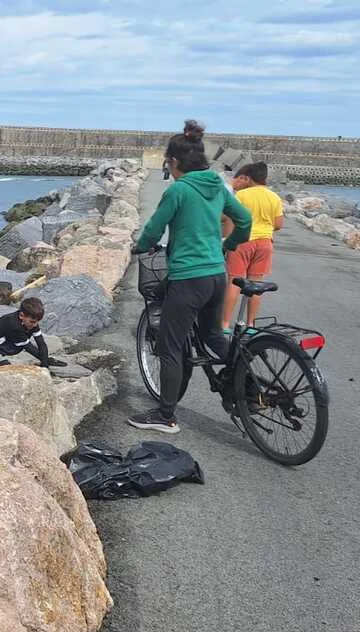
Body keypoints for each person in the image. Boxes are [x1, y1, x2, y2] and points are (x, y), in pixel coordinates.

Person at [128, 120, 252, 434]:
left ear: (173, 161)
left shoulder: (179, 190)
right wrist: (229, 245)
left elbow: (154, 228)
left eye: (167, 163)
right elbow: (244, 220)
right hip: (217, 275)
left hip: (188, 278)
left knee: (170, 346)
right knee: (213, 337)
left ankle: (165, 416)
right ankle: (250, 387)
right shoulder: (216, 186)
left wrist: (140, 246)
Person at [221, 162, 284, 330]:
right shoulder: (274, 197)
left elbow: (229, 218)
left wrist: (226, 241)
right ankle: (250, 325)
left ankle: (225, 324)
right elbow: (278, 224)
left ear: (249, 178)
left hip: (243, 242)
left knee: (234, 282)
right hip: (265, 243)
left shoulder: (241, 195)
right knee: (256, 286)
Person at [0, 297, 67, 372]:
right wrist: (45, 364)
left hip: (2, 345)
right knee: (6, 367)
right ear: (21, 315)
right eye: (32, 322)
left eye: (37, 322)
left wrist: (45, 363)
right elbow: (29, 347)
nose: (35, 325)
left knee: (18, 349)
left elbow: (41, 344)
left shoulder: (31, 322)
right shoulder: (14, 325)